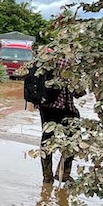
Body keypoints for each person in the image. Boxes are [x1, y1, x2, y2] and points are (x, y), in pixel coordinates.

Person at [35, 56, 79, 184]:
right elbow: (78, 92)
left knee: (47, 139)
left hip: (45, 107)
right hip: (63, 108)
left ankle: (47, 177)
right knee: (73, 138)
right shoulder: (71, 62)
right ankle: (63, 173)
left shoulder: (48, 59)